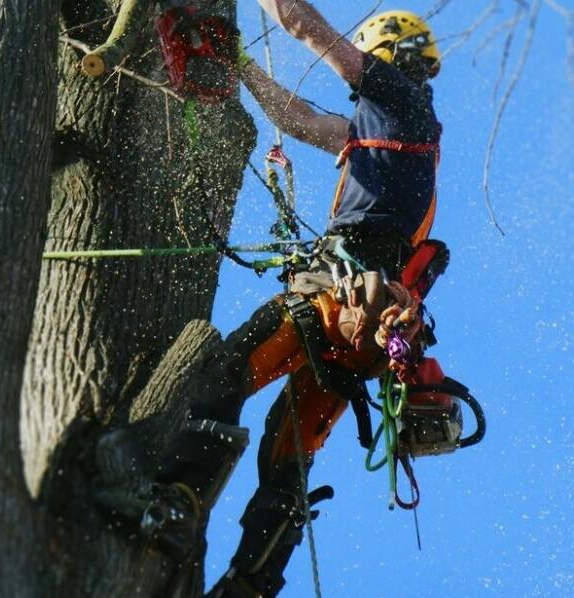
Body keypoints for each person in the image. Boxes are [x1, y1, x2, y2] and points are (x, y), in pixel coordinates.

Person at [143, 3, 448, 596]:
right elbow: (300, 119)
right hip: (361, 339)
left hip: (337, 300)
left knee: (224, 372)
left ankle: (178, 500)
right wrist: (238, 62)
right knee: (288, 455)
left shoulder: (396, 96)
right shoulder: (396, 130)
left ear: (386, 57)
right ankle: (251, 585)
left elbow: (303, 24)